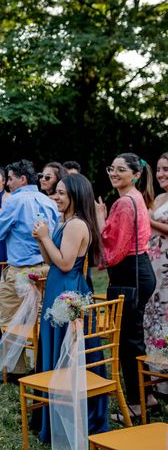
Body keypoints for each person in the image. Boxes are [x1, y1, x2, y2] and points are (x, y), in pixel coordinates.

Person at [31, 174, 108, 441]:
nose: (57, 197)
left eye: (62, 193)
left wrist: (45, 236)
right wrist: (42, 239)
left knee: (68, 351)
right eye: (56, 192)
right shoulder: (65, 222)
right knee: (55, 348)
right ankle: (52, 415)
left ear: (76, 194)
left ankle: (69, 415)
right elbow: (50, 259)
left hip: (67, 295)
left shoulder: (76, 225)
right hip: (57, 289)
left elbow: (64, 263)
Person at [96, 152, 156, 419]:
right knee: (134, 339)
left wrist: (100, 217)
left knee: (127, 342)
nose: (114, 173)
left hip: (130, 273)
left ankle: (135, 403)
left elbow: (113, 247)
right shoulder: (137, 198)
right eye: (112, 168)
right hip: (140, 271)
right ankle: (147, 397)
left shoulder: (123, 203)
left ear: (136, 174)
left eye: (121, 170)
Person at [0, 159, 59, 375]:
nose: (7, 183)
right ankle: (43, 366)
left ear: (22, 179)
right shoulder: (49, 201)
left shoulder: (13, 201)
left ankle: (17, 368)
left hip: (20, 271)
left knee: (10, 318)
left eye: (10, 178)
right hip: (47, 268)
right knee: (41, 321)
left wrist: (1, 223)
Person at [144, 152, 168, 395]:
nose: (161, 174)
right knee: (153, 317)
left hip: (167, 265)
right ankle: (157, 379)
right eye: (159, 169)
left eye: (166, 169)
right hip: (152, 265)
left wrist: (148, 221)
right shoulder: (159, 197)